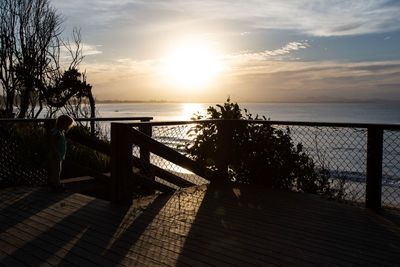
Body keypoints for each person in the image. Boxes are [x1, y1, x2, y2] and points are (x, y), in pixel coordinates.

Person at [47, 115, 75, 192]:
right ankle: (56, 184)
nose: (69, 127)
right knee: (56, 170)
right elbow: (52, 143)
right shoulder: (57, 133)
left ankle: (54, 183)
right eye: (68, 125)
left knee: (57, 170)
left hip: (58, 155)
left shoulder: (61, 132)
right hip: (55, 155)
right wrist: (55, 153)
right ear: (63, 124)